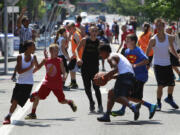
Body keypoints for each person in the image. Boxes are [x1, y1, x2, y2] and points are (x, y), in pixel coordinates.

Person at [25, 44, 77, 119]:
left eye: (57, 50)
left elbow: (64, 71)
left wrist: (64, 77)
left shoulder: (60, 60)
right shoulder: (46, 60)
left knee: (62, 101)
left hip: (57, 84)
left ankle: (70, 102)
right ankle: (33, 113)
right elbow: (38, 67)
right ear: (50, 51)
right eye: (55, 50)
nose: (57, 52)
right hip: (47, 83)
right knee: (38, 96)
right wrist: (29, 73)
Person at [111, 34, 156, 119]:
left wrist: (136, 65)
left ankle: (150, 106)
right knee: (127, 94)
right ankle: (123, 110)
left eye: (127, 40)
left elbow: (146, 60)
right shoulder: (127, 51)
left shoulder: (137, 50)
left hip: (141, 77)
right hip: (133, 77)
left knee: (131, 97)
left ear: (133, 42)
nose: (125, 42)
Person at [96, 45, 141, 122]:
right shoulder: (117, 55)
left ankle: (133, 107)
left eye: (100, 53)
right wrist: (111, 77)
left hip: (125, 77)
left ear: (105, 52)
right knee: (111, 94)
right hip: (131, 77)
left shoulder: (110, 57)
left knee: (117, 96)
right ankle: (107, 115)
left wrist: (104, 77)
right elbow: (121, 70)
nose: (100, 55)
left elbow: (115, 68)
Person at [146, 18, 180, 111]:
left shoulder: (168, 37)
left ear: (164, 26)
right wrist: (146, 62)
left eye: (161, 25)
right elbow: (147, 52)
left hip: (167, 63)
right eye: (157, 25)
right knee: (160, 85)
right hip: (157, 65)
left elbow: (172, 49)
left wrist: (177, 57)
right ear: (155, 26)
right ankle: (158, 102)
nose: (159, 27)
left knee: (172, 83)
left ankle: (169, 98)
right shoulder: (153, 39)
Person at [3, 40, 38, 124]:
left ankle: (30, 97)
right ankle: (8, 116)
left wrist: (44, 61)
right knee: (15, 101)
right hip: (20, 83)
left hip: (29, 83)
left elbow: (37, 67)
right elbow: (20, 71)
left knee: (18, 100)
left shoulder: (34, 57)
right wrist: (30, 67)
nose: (35, 48)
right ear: (28, 47)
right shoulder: (20, 57)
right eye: (33, 46)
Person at [76, 26, 103, 113]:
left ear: (97, 32)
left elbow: (103, 54)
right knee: (87, 88)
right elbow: (76, 50)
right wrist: (78, 59)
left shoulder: (99, 42)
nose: (94, 32)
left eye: (96, 31)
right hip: (85, 67)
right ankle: (91, 102)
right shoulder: (84, 40)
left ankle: (100, 105)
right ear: (90, 32)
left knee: (96, 87)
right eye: (93, 31)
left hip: (95, 67)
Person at [11, 8, 36, 81]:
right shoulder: (21, 28)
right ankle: (14, 75)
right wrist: (22, 14)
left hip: (29, 47)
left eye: (28, 20)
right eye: (27, 20)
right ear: (24, 22)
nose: (28, 21)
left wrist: (34, 39)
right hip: (23, 46)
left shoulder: (30, 29)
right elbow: (18, 22)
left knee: (29, 60)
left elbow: (32, 38)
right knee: (20, 61)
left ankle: (26, 74)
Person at [68, 23, 83, 89]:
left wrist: (74, 55)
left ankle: (73, 83)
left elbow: (79, 45)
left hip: (77, 55)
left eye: (70, 28)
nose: (69, 30)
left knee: (70, 68)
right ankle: (73, 82)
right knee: (71, 68)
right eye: (68, 29)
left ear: (74, 27)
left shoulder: (76, 34)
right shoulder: (74, 33)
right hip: (77, 55)